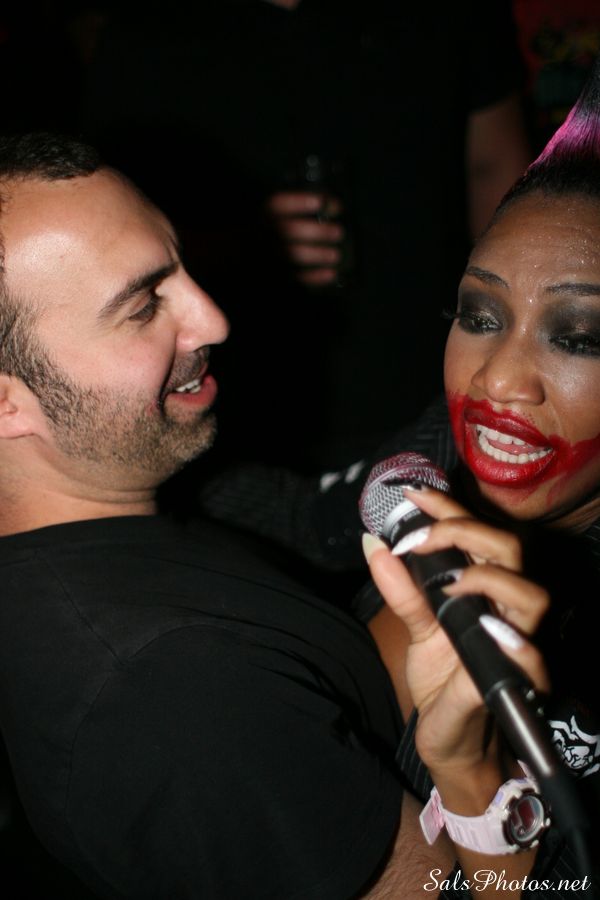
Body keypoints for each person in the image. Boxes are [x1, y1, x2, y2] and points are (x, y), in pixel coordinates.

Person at [0, 132, 468, 899]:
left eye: (181, 267)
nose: (212, 320)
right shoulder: (163, 691)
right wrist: (481, 780)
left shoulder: (138, 506)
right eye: (143, 305)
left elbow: (331, 693)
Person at [200, 55, 600, 896]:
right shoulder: (445, 450)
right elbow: (312, 519)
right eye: (480, 315)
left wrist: (475, 779)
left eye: (579, 338)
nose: (498, 379)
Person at [76, 0, 531, 467]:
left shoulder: (454, 11)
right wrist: (242, 241)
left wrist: (509, 334)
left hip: (430, 371)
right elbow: (103, 231)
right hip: (238, 404)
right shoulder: (142, 31)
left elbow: (498, 170)